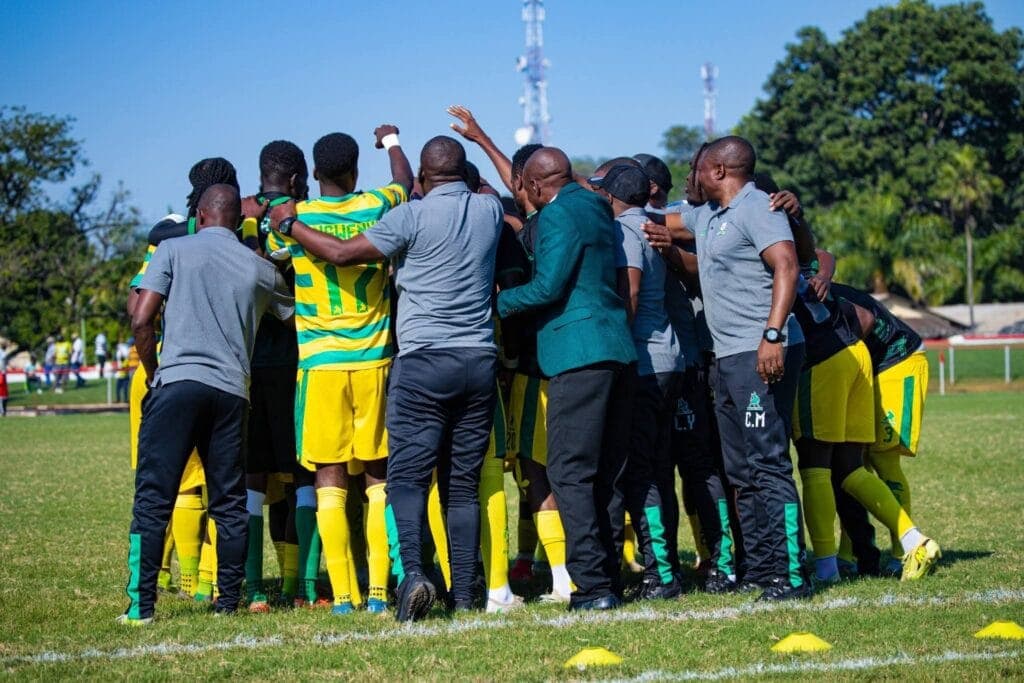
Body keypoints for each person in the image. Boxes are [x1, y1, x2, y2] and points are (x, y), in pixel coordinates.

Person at [269, 135, 501, 622]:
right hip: (463, 358)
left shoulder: (387, 217)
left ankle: (384, 583)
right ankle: (451, 593)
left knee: (377, 479)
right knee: (454, 483)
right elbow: (399, 181)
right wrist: (393, 142)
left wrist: (288, 220)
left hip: (357, 362)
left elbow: (333, 252)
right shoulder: (486, 211)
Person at [120, 184, 294, 625]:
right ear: (237, 221)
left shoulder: (172, 250)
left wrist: (154, 372)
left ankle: (141, 607)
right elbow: (289, 311)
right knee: (229, 501)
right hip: (232, 392)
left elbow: (141, 318)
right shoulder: (257, 268)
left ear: (199, 215)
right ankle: (227, 603)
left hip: (177, 383)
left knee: (154, 497)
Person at [262, 126, 412, 616]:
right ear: (354, 169)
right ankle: (379, 592)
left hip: (321, 366)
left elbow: (270, 243)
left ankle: (344, 596)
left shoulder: (293, 218)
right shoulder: (377, 205)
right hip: (374, 362)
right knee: (378, 478)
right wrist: (392, 142)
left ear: (314, 172)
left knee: (328, 479)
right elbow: (404, 182)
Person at [496, 147, 636, 611]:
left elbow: (548, 287)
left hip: (577, 353)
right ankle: (608, 578)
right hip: (615, 347)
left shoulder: (556, 215)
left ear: (536, 186)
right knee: (607, 473)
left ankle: (591, 586)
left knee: (569, 472)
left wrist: (497, 302)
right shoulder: (596, 206)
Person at [446, 106, 572, 602]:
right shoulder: (518, 225)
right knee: (526, 473)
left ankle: (532, 575)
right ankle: (534, 572)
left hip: (520, 371)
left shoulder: (511, 228)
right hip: (515, 368)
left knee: (523, 473)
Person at [686, 136, 810, 601]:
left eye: (699, 168)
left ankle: (791, 573)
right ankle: (761, 566)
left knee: (768, 462)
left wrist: (772, 335)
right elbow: (656, 219)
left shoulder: (760, 206)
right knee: (740, 468)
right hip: (726, 358)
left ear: (719, 171)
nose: (693, 176)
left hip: (759, 352)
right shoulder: (709, 215)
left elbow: (787, 266)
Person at [590, 164, 685, 600]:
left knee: (640, 474)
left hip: (644, 361)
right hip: (669, 358)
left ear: (611, 197)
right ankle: (666, 568)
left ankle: (661, 575)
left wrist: (616, 346)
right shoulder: (651, 224)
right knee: (658, 470)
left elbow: (629, 292)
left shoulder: (625, 231)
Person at [236, 139, 308, 613]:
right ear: (297, 178)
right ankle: (302, 586)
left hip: (247, 364)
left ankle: (254, 588)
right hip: (297, 360)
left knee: (253, 477)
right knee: (305, 475)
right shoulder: (300, 213)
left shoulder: (235, 213)